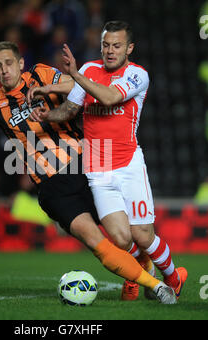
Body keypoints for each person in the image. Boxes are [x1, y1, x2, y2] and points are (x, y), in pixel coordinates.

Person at [0, 41, 176, 304]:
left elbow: (79, 85)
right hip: (52, 187)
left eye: (9, 63)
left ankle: (142, 266)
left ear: (20, 63)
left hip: (84, 165)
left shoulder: (41, 74)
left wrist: (48, 88)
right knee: (96, 242)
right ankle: (156, 286)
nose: (4, 70)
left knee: (123, 236)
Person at [28, 21, 188, 301]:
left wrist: (75, 75)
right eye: (105, 45)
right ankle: (140, 273)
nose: (110, 51)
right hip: (98, 171)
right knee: (121, 239)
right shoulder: (90, 70)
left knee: (142, 234)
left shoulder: (138, 75)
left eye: (116, 45)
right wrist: (47, 115)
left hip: (129, 166)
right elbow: (70, 109)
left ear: (129, 48)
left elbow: (111, 97)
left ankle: (174, 277)